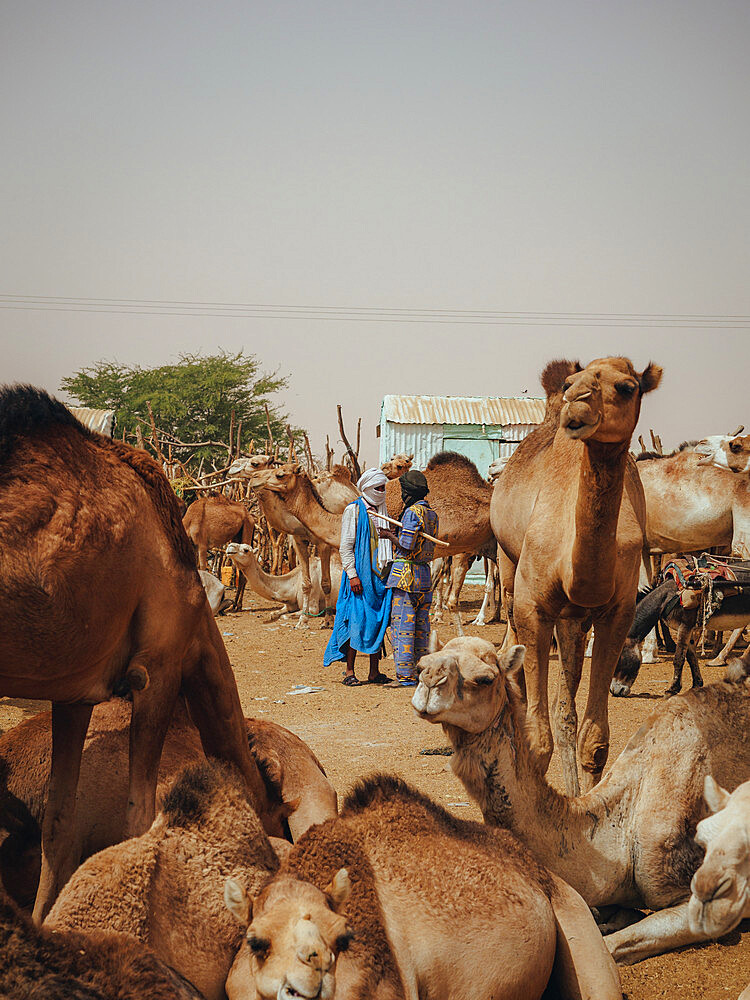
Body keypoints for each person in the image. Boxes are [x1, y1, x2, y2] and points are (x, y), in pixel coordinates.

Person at [323, 468, 393, 685]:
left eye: (383, 488)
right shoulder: (353, 510)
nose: (381, 491)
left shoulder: (382, 509)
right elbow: (346, 547)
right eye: (377, 488)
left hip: (380, 577)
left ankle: (374, 671)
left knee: (378, 622)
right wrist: (352, 575)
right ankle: (349, 671)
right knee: (356, 620)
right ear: (367, 488)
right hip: (360, 577)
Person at [380, 469, 439, 686]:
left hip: (406, 577)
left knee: (403, 627)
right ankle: (421, 673)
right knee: (422, 629)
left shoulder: (411, 513)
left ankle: (405, 677)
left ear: (407, 492)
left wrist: (388, 535)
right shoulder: (432, 513)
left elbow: (407, 544)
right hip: (424, 575)